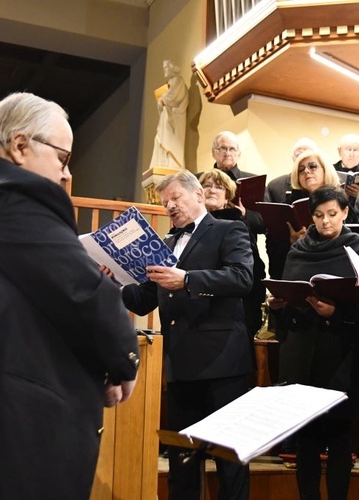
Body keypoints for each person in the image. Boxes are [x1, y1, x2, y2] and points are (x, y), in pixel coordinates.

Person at [0, 92, 140, 499]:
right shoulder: (11, 191)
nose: (68, 175)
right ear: (20, 146)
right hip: (5, 429)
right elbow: (84, 292)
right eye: (63, 159)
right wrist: (124, 358)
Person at [121, 170, 254, 500]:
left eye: (175, 198)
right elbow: (145, 299)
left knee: (230, 459)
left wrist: (188, 280)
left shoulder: (228, 228)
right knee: (182, 461)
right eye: (165, 202)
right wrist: (113, 283)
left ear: (198, 195)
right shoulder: (165, 243)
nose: (169, 206)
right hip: (180, 365)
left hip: (222, 362)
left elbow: (241, 278)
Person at [268, 185, 359, 500]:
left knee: (339, 438)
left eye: (332, 214)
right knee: (305, 439)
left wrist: (336, 312)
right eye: (318, 216)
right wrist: (280, 304)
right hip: (300, 352)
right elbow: (289, 291)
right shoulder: (298, 249)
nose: (326, 222)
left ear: (345, 212)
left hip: (340, 354)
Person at [199, 168, 266, 339]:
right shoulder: (190, 226)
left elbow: (255, 269)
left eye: (219, 187)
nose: (212, 190)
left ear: (228, 197)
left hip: (232, 309)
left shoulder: (237, 224)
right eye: (207, 185)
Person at [265, 149, 343, 280]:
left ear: (325, 170)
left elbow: (353, 234)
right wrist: (292, 243)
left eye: (312, 166)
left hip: (336, 268)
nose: (306, 171)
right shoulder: (286, 207)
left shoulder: (341, 200)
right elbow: (272, 247)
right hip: (298, 271)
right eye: (301, 170)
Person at [150, 60, 188, 169]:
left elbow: (174, 97)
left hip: (174, 117)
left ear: (172, 69)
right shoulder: (171, 83)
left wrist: (162, 99)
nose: (164, 71)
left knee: (170, 141)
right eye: (164, 68)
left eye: (166, 68)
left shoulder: (177, 80)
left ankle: (171, 162)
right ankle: (165, 162)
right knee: (161, 139)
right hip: (167, 117)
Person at [265, 137, 319, 203]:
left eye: (307, 155)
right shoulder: (275, 186)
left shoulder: (332, 187)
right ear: (293, 158)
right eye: (299, 155)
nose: (302, 158)